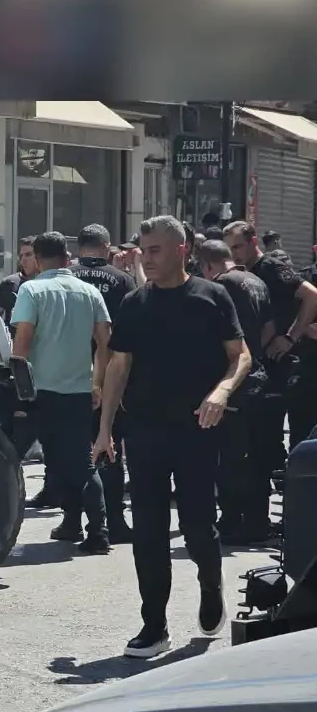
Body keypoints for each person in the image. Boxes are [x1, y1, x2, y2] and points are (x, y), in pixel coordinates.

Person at [95, 215, 251, 659]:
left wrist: (221, 391)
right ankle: (153, 624)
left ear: (181, 250)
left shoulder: (212, 296)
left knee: (198, 525)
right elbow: (117, 367)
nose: (146, 257)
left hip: (197, 429)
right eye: (143, 250)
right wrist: (105, 430)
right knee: (148, 529)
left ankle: (209, 583)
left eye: (155, 250)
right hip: (143, 430)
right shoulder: (135, 303)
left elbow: (240, 356)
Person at [11, 231, 113, 554]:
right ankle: (76, 523)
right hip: (80, 391)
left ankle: (97, 530)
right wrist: (97, 382)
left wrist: (17, 385)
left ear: (37, 261)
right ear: (67, 258)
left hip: (40, 390)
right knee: (71, 459)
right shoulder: (89, 292)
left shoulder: (31, 289)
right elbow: (105, 342)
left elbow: (22, 341)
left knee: (28, 455)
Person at [197, 239, 273, 545]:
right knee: (257, 454)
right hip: (258, 375)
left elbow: (215, 332)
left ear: (208, 265)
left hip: (234, 378)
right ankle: (257, 519)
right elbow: (269, 326)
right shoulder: (256, 280)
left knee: (231, 456)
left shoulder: (223, 284)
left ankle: (232, 520)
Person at [224, 221, 317, 455]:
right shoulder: (240, 274)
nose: (234, 254)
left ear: (253, 242)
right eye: (229, 249)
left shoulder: (271, 268)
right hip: (263, 364)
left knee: (298, 431)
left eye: (237, 247)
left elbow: (312, 296)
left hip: (291, 364)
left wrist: (290, 336)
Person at [71, 224, 138, 544]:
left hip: (69, 375)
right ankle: (114, 519)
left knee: (73, 450)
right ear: (107, 246)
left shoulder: (65, 277)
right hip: (112, 373)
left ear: (80, 245)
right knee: (109, 445)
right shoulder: (123, 280)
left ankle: (72, 519)